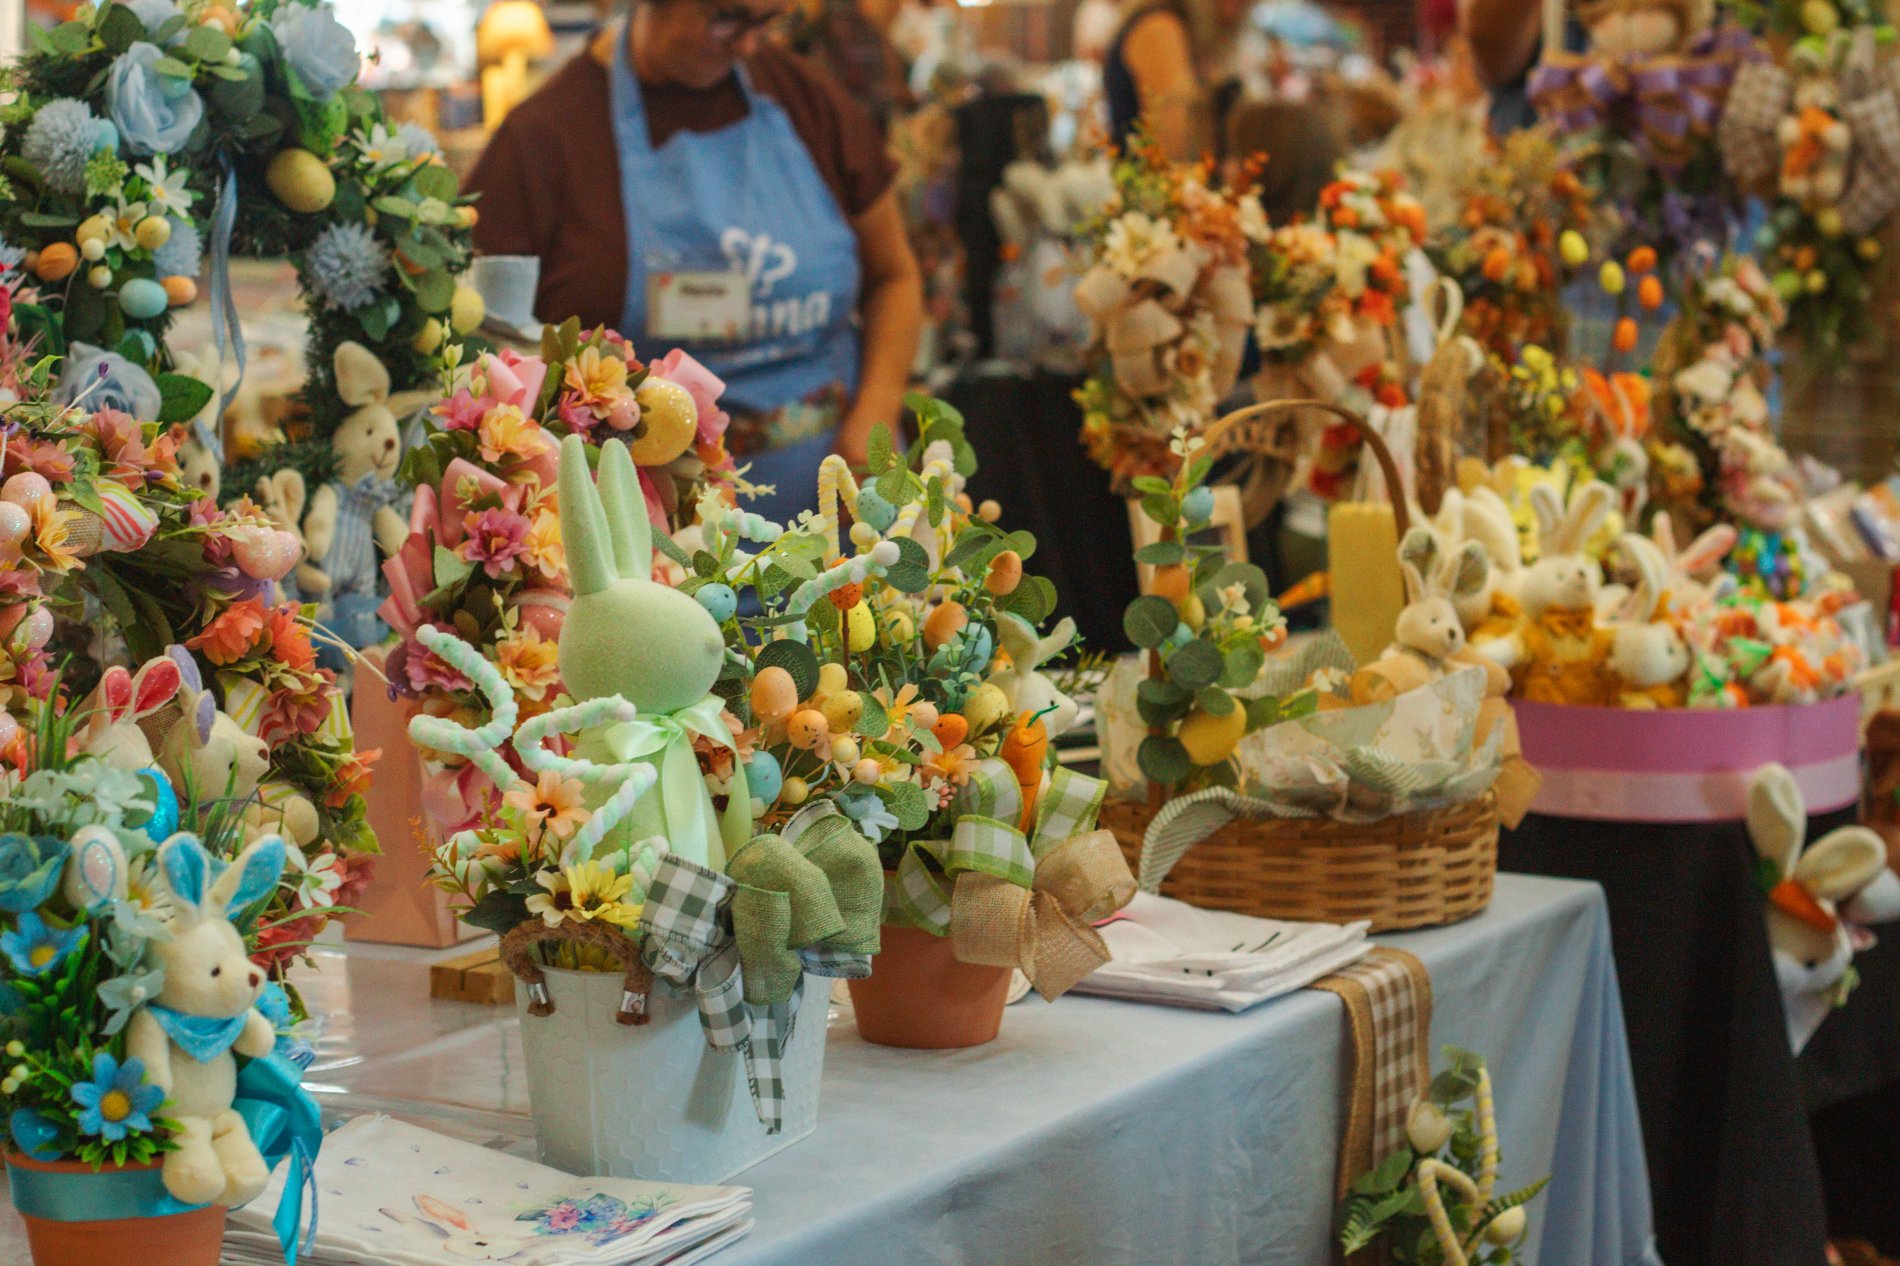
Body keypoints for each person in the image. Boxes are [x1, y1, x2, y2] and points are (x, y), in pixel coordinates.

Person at [468, 0, 924, 523]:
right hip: (651, 526)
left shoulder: (805, 98)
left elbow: (894, 276)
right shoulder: (543, 138)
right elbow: (486, 347)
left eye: (767, 21)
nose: (748, 44)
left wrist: (878, 410)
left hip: (842, 499)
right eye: (726, 17)